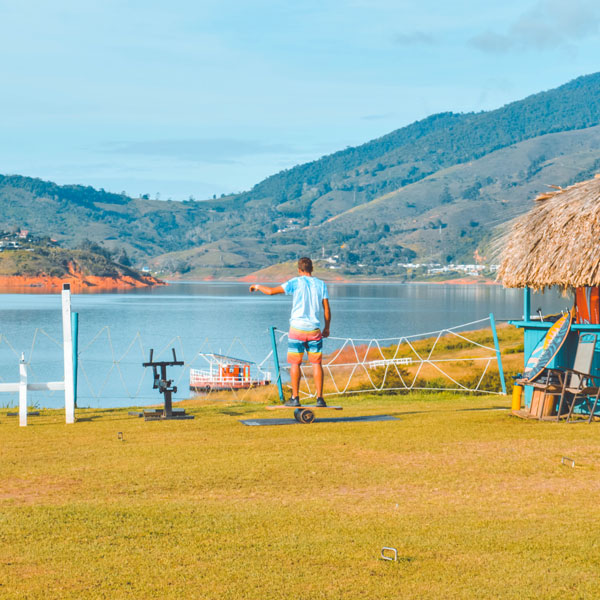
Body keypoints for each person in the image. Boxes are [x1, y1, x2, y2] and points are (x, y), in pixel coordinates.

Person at [249, 257, 331, 407]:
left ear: (299, 270)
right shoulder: (321, 284)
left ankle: (295, 397)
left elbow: (272, 291)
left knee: (295, 363)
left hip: (297, 329)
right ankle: (320, 398)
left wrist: (257, 286)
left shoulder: (295, 282)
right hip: (314, 329)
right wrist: (327, 327)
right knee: (316, 363)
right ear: (312, 269)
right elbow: (326, 308)